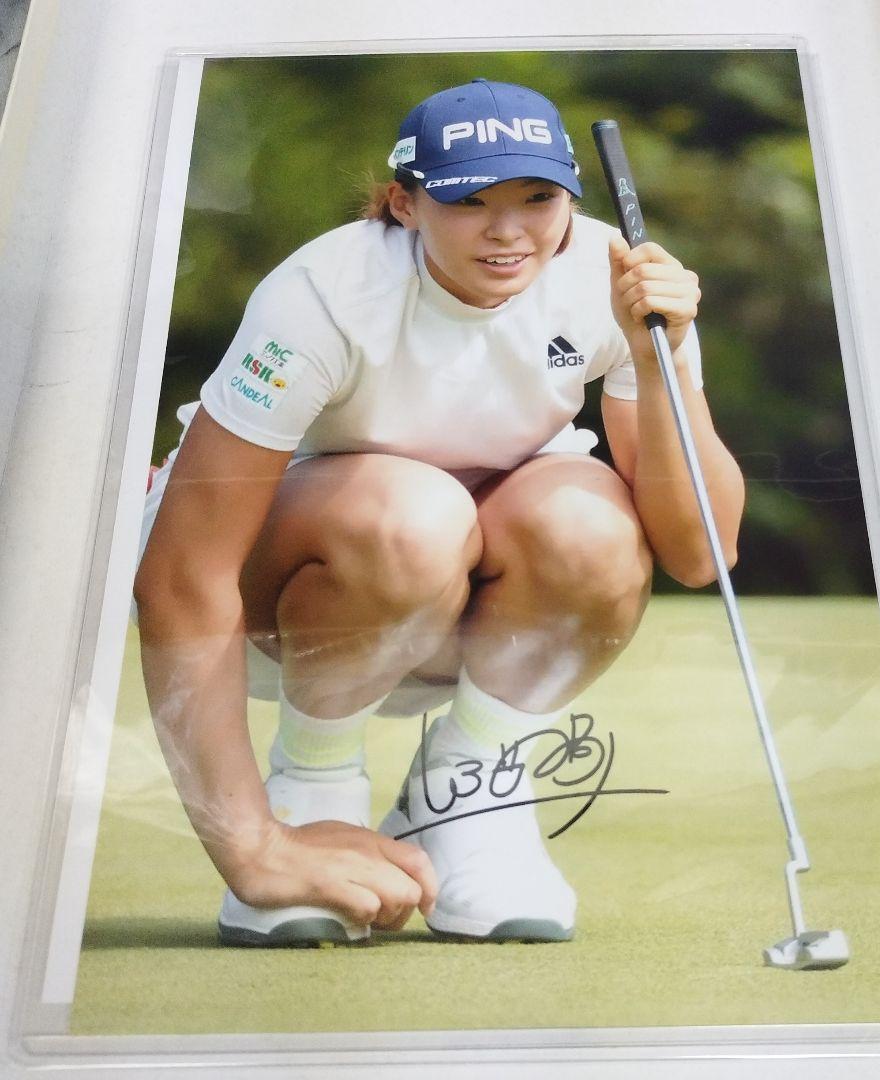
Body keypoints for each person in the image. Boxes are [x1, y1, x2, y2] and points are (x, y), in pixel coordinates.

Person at [133, 78, 745, 946]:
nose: (508, 231)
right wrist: (251, 847)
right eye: (468, 202)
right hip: (285, 599)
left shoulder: (618, 277)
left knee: (590, 525)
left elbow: (700, 553)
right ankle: (312, 787)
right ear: (404, 204)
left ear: (571, 198)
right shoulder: (323, 296)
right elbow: (180, 576)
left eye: (537, 199)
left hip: (465, 600)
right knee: (413, 515)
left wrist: (666, 358)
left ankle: (468, 792)